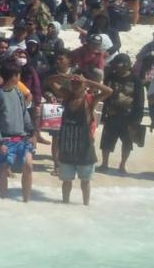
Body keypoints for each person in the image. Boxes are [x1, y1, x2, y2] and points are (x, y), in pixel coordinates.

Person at [46, 73, 112, 205]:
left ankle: (85, 205)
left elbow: (108, 91)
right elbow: (49, 81)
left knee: (85, 181)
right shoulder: (67, 96)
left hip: (85, 148)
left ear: (85, 86)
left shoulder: (90, 100)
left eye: (78, 84)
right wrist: (63, 76)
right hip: (67, 146)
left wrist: (87, 80)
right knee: (66, 180)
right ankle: (65, 204)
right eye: (73, 84)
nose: (75, 86)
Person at [0, 60, 36, 201]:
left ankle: (26, 200)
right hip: (4, 139)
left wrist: (31, 131)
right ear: (13, 76)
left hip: (22, 137)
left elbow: (24, 112)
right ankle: (4, 199)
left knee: (28, 165)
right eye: (18, 75)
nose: (19, 77)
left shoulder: (18, 92)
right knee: (3, 170)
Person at [98, 54, 144, 174]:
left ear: (127, 65)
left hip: (128, 117)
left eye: (120, 64)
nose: (117, 67)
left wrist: (136, 120)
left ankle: (122, 165)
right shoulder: (110, 77)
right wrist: (103, 115)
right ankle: (104, 164)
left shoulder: (136, 80)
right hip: (111, 115)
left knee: (127, 143)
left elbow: (140, 101)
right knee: (106, 141)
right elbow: (104, 96)